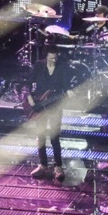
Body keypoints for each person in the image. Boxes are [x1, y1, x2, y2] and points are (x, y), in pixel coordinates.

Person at [28, 47, 70, 178]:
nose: (54, 60)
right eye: (51, 58)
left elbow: (66, 85)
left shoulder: (63, 67)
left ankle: (58, 166)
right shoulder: (39, 66)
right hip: (39, 105)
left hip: (55, 105)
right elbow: (28, 83)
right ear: (46, 57)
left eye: (56, 57)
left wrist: (69, 91)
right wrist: (31, 102)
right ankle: (43, 165)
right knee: (40, 136)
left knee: (54, 136)